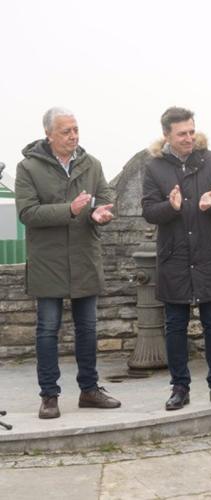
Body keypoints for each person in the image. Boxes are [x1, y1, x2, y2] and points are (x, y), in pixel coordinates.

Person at [14, 107, 121, 419]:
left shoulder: (92, 164)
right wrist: (69, 210)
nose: (73, 136)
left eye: (76, 129)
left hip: (84, 258)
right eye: (66, 131)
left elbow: (104, 199)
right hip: (47, 262)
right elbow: (27, 213)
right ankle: (49, 396)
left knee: (87, 328)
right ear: (49, 134)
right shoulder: (28, 167)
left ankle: (89, 390)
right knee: (48, 330)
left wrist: (100, 214)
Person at [141, 107, 211, 411]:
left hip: (210, 256)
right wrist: (170, 207)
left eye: (191, 131)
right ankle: (179, 387)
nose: (188, 138)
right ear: (166, 135)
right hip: (175, 259)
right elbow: (149, 211)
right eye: (182, 133)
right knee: (175, 326)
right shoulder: (154, 167)